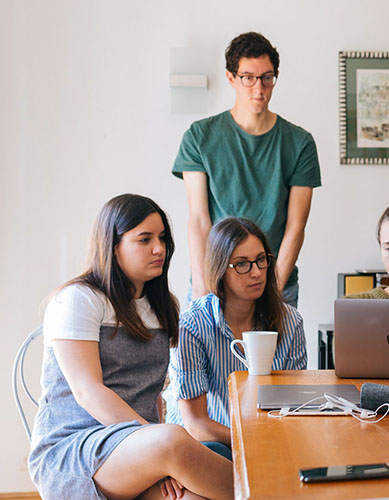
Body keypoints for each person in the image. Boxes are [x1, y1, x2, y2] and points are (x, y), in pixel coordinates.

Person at [29, 194, 233, 500]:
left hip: (138, 450)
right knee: (174, 441)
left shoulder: (162, 306)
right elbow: (88, 392)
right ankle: (277, 492)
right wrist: (156, 443)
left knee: (197, 492)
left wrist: (156, 452)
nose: (159, 249)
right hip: (74, 452)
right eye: (144, 239)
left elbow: (153, 395)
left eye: (162, 238)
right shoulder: (78, 299)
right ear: (113, 245)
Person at [173, 31, 321, 308]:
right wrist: (204, 289)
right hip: (216, 282)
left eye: (267, 77)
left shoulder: (300, 143)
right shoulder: (199, 137)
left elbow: (296, 227)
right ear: (231, 78)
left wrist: (273, 291)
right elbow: (199, 220)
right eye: (248, 78)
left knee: (275, 353)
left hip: (276, 282)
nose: (259, 88)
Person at [167, 217, 306, 458]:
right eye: (242, 264)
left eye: (261, 260)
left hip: (269, 440)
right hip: (206, 444)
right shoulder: (192, 324)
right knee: (218, 452)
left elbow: (293, 407)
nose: (256, 273)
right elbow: (196, 424)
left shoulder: (291, 321)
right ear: (220, 269)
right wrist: (252, 441)